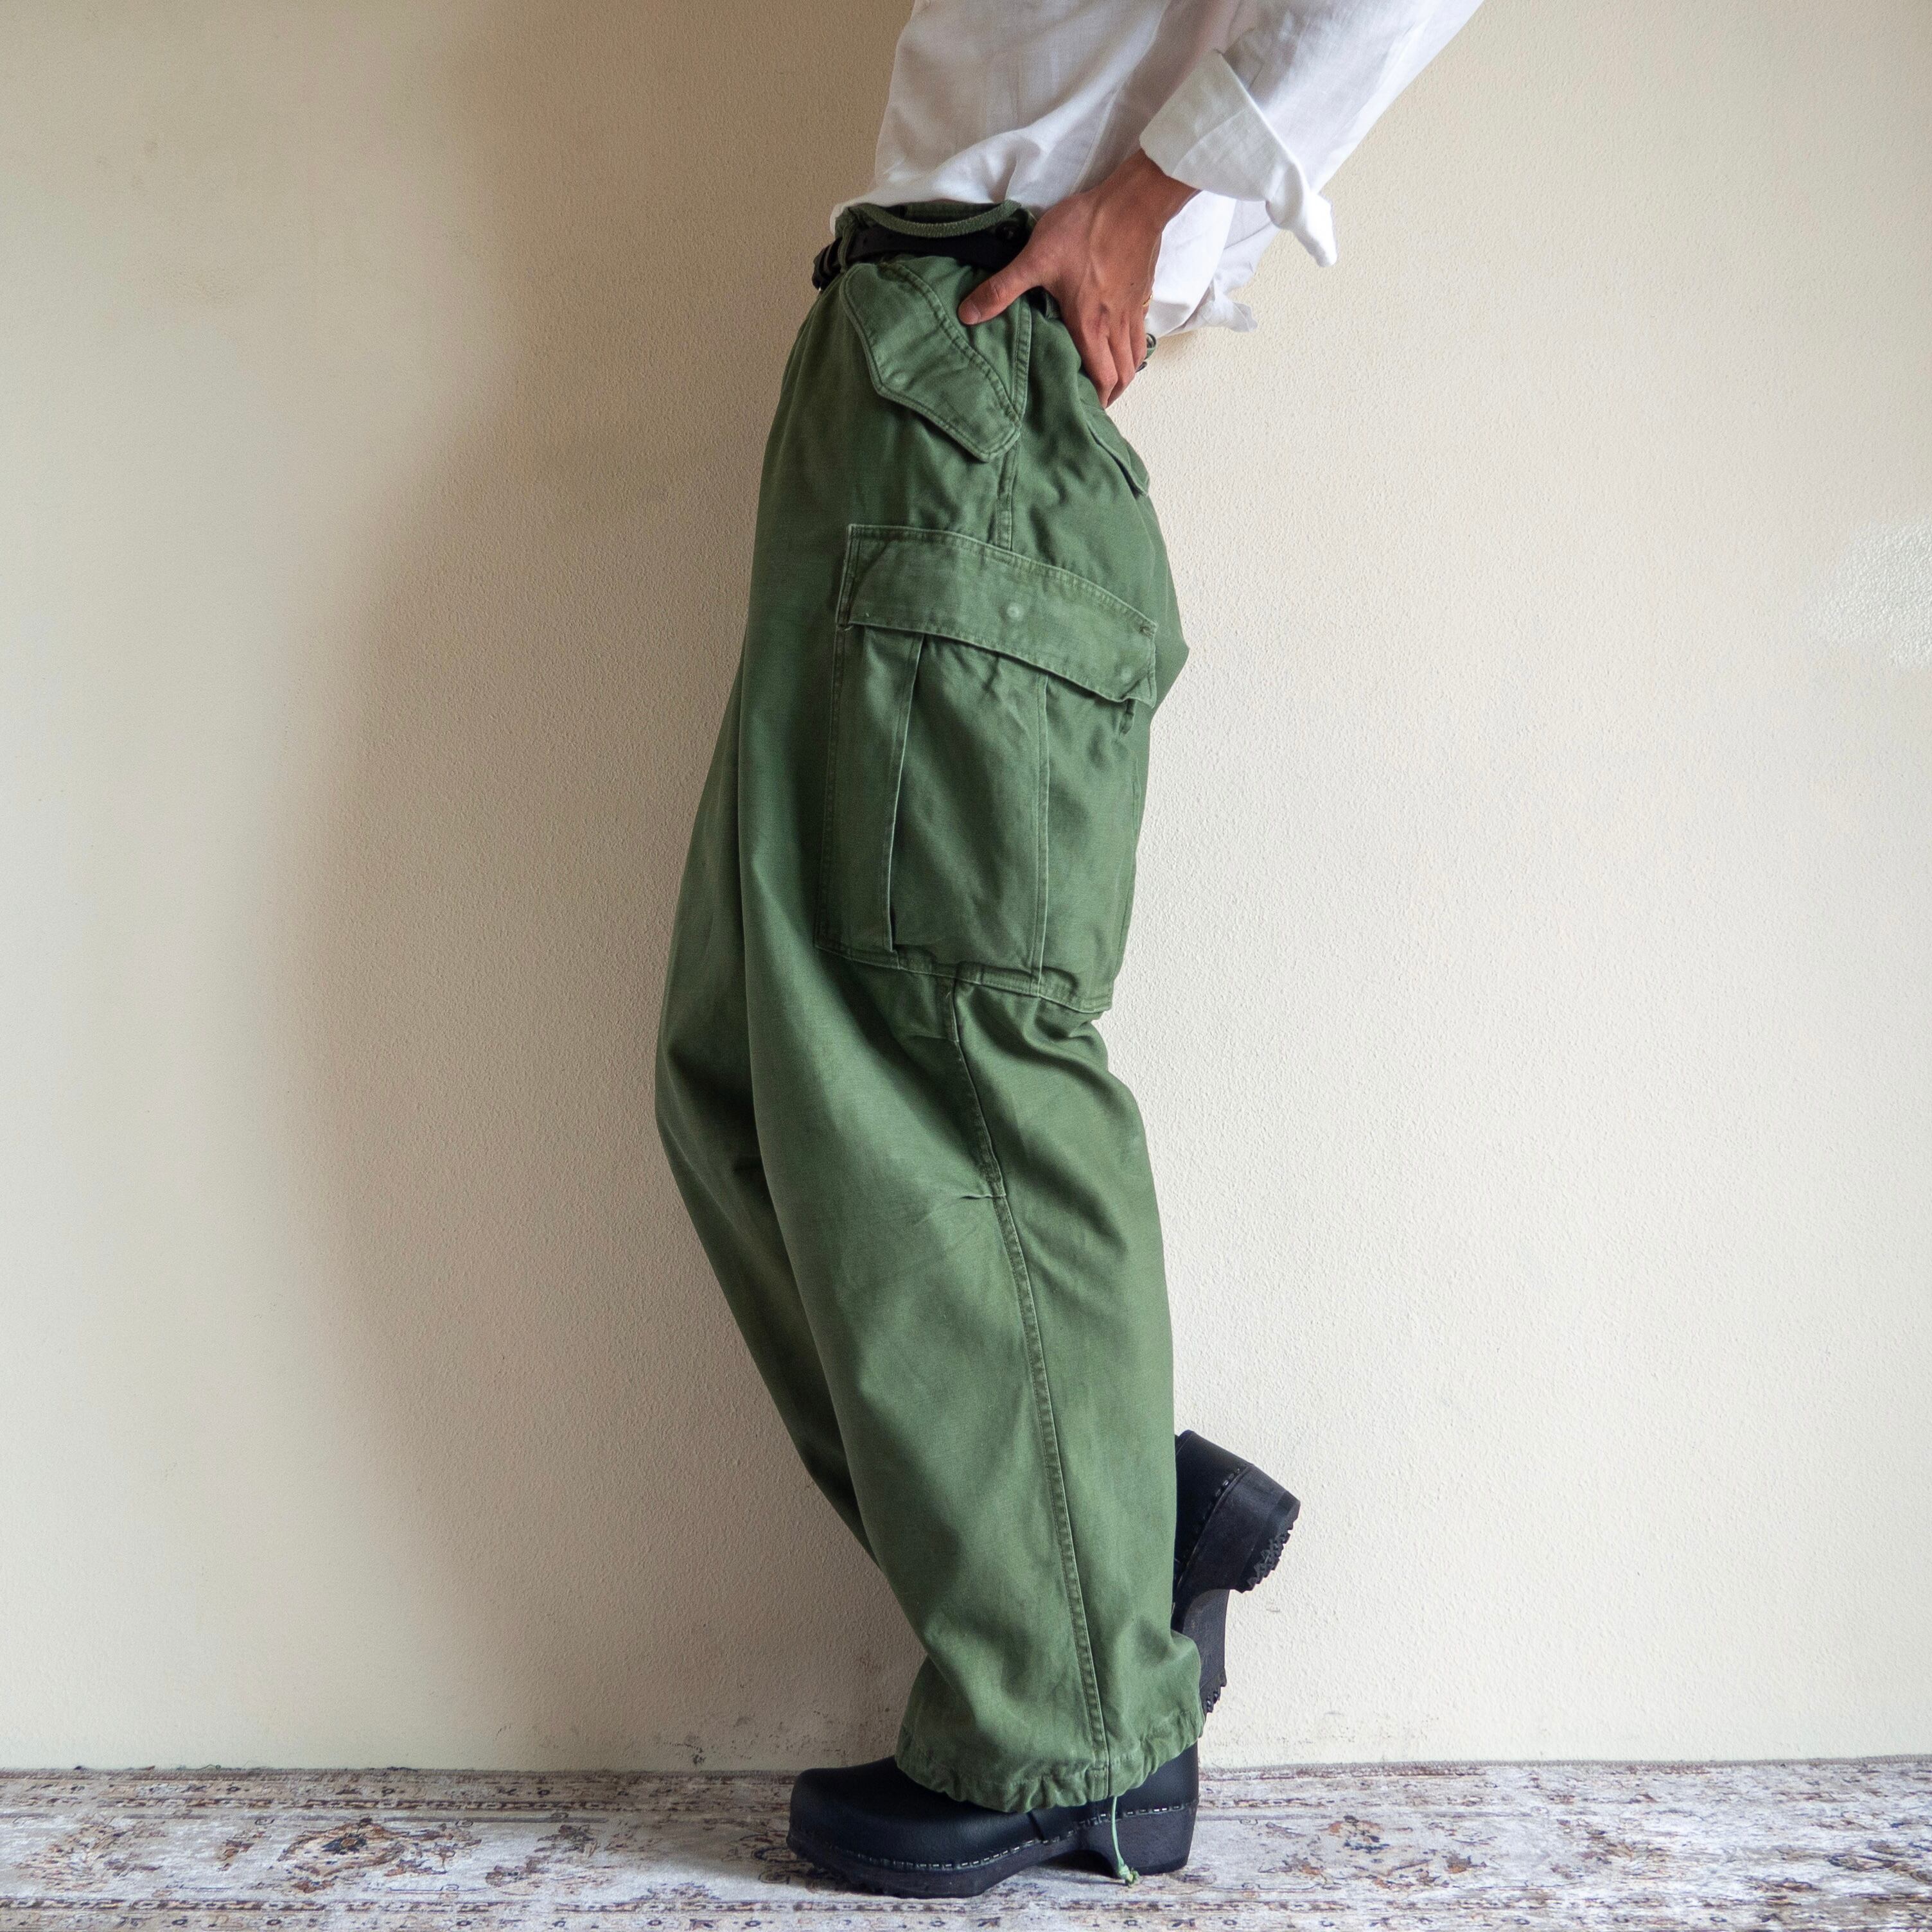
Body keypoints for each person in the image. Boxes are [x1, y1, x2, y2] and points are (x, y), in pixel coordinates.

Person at [655, 0, 1484, 1898]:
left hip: (975, 347)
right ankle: (1101, 1535)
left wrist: (1150, 197)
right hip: (894, 361)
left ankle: (1077, 1731)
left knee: (956, 1063)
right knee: (740, 1081)